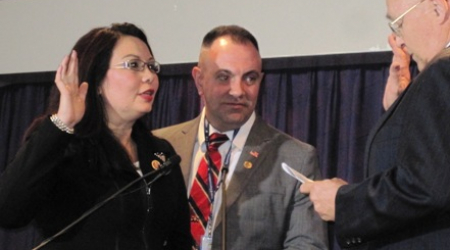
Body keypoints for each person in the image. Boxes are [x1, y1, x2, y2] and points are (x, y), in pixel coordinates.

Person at [0, 23, 192, 250]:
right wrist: (64, 122)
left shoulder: (161, 154)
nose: (149, 75)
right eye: (134, 65)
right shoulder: (63, 145)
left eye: (152, 66)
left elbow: (179, 240)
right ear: (97, 80)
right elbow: (8, 212)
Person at [153, 25, 328, 250]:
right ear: (199, 80)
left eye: (250, 78)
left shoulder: (297, 158)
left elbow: (308, 246)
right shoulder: (159, 146)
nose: (238, 91)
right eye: (224, 77)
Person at [301, 0, 450, 249]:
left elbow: (426, 187)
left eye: (399, 24)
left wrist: (342, 201)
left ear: (437, 9)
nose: (398, 40)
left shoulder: (442, 73)